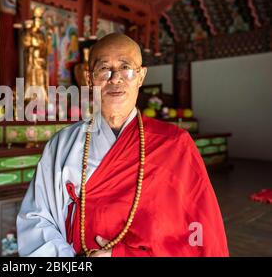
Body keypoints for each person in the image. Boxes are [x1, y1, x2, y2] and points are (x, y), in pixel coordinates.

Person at [17, 33, 229, 257]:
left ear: (141, 76)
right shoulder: (62, 145)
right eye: (103, 69)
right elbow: (37, 218)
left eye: (126, 67)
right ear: (89, 78)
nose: (115, 78)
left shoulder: (174, 144)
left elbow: (198, 231)